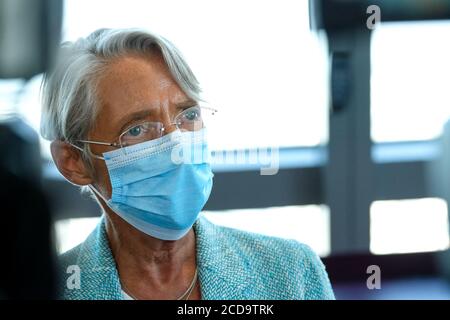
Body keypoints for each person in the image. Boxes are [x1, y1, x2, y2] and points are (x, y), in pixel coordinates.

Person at [41, 28, 335, 300]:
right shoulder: (47, 291)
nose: (177, 145)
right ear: (74, 161)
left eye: (188, 116)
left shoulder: (290, 273)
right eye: (137, 130)